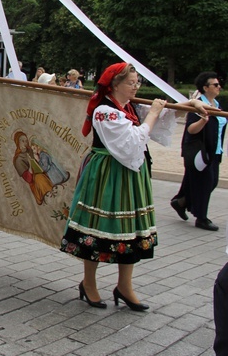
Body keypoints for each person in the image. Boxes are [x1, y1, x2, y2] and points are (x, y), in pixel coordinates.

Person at [59, 62, 206, 311]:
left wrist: (192, 105)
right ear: (115, 84)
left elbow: (164, 119)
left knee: (131, 230)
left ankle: (124, 286)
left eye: (138, 82)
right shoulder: (104, 111)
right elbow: (129, 143)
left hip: (131, 174)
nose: (136, 86)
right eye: (131, 82)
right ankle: (89, 283)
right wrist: (153, 113)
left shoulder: (130, 106)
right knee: (96, 230)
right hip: (106, 173)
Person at [171, 72, 225, 231]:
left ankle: (181, 202)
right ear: (205, 87)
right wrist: (203, 120)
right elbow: (191, 129)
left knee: (210, 181)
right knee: (205, 182)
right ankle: (201, 218)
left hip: (215, 150)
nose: (219, 87)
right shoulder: (198, 105)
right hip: (199, 152)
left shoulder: (216, 103)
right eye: (215, 85)